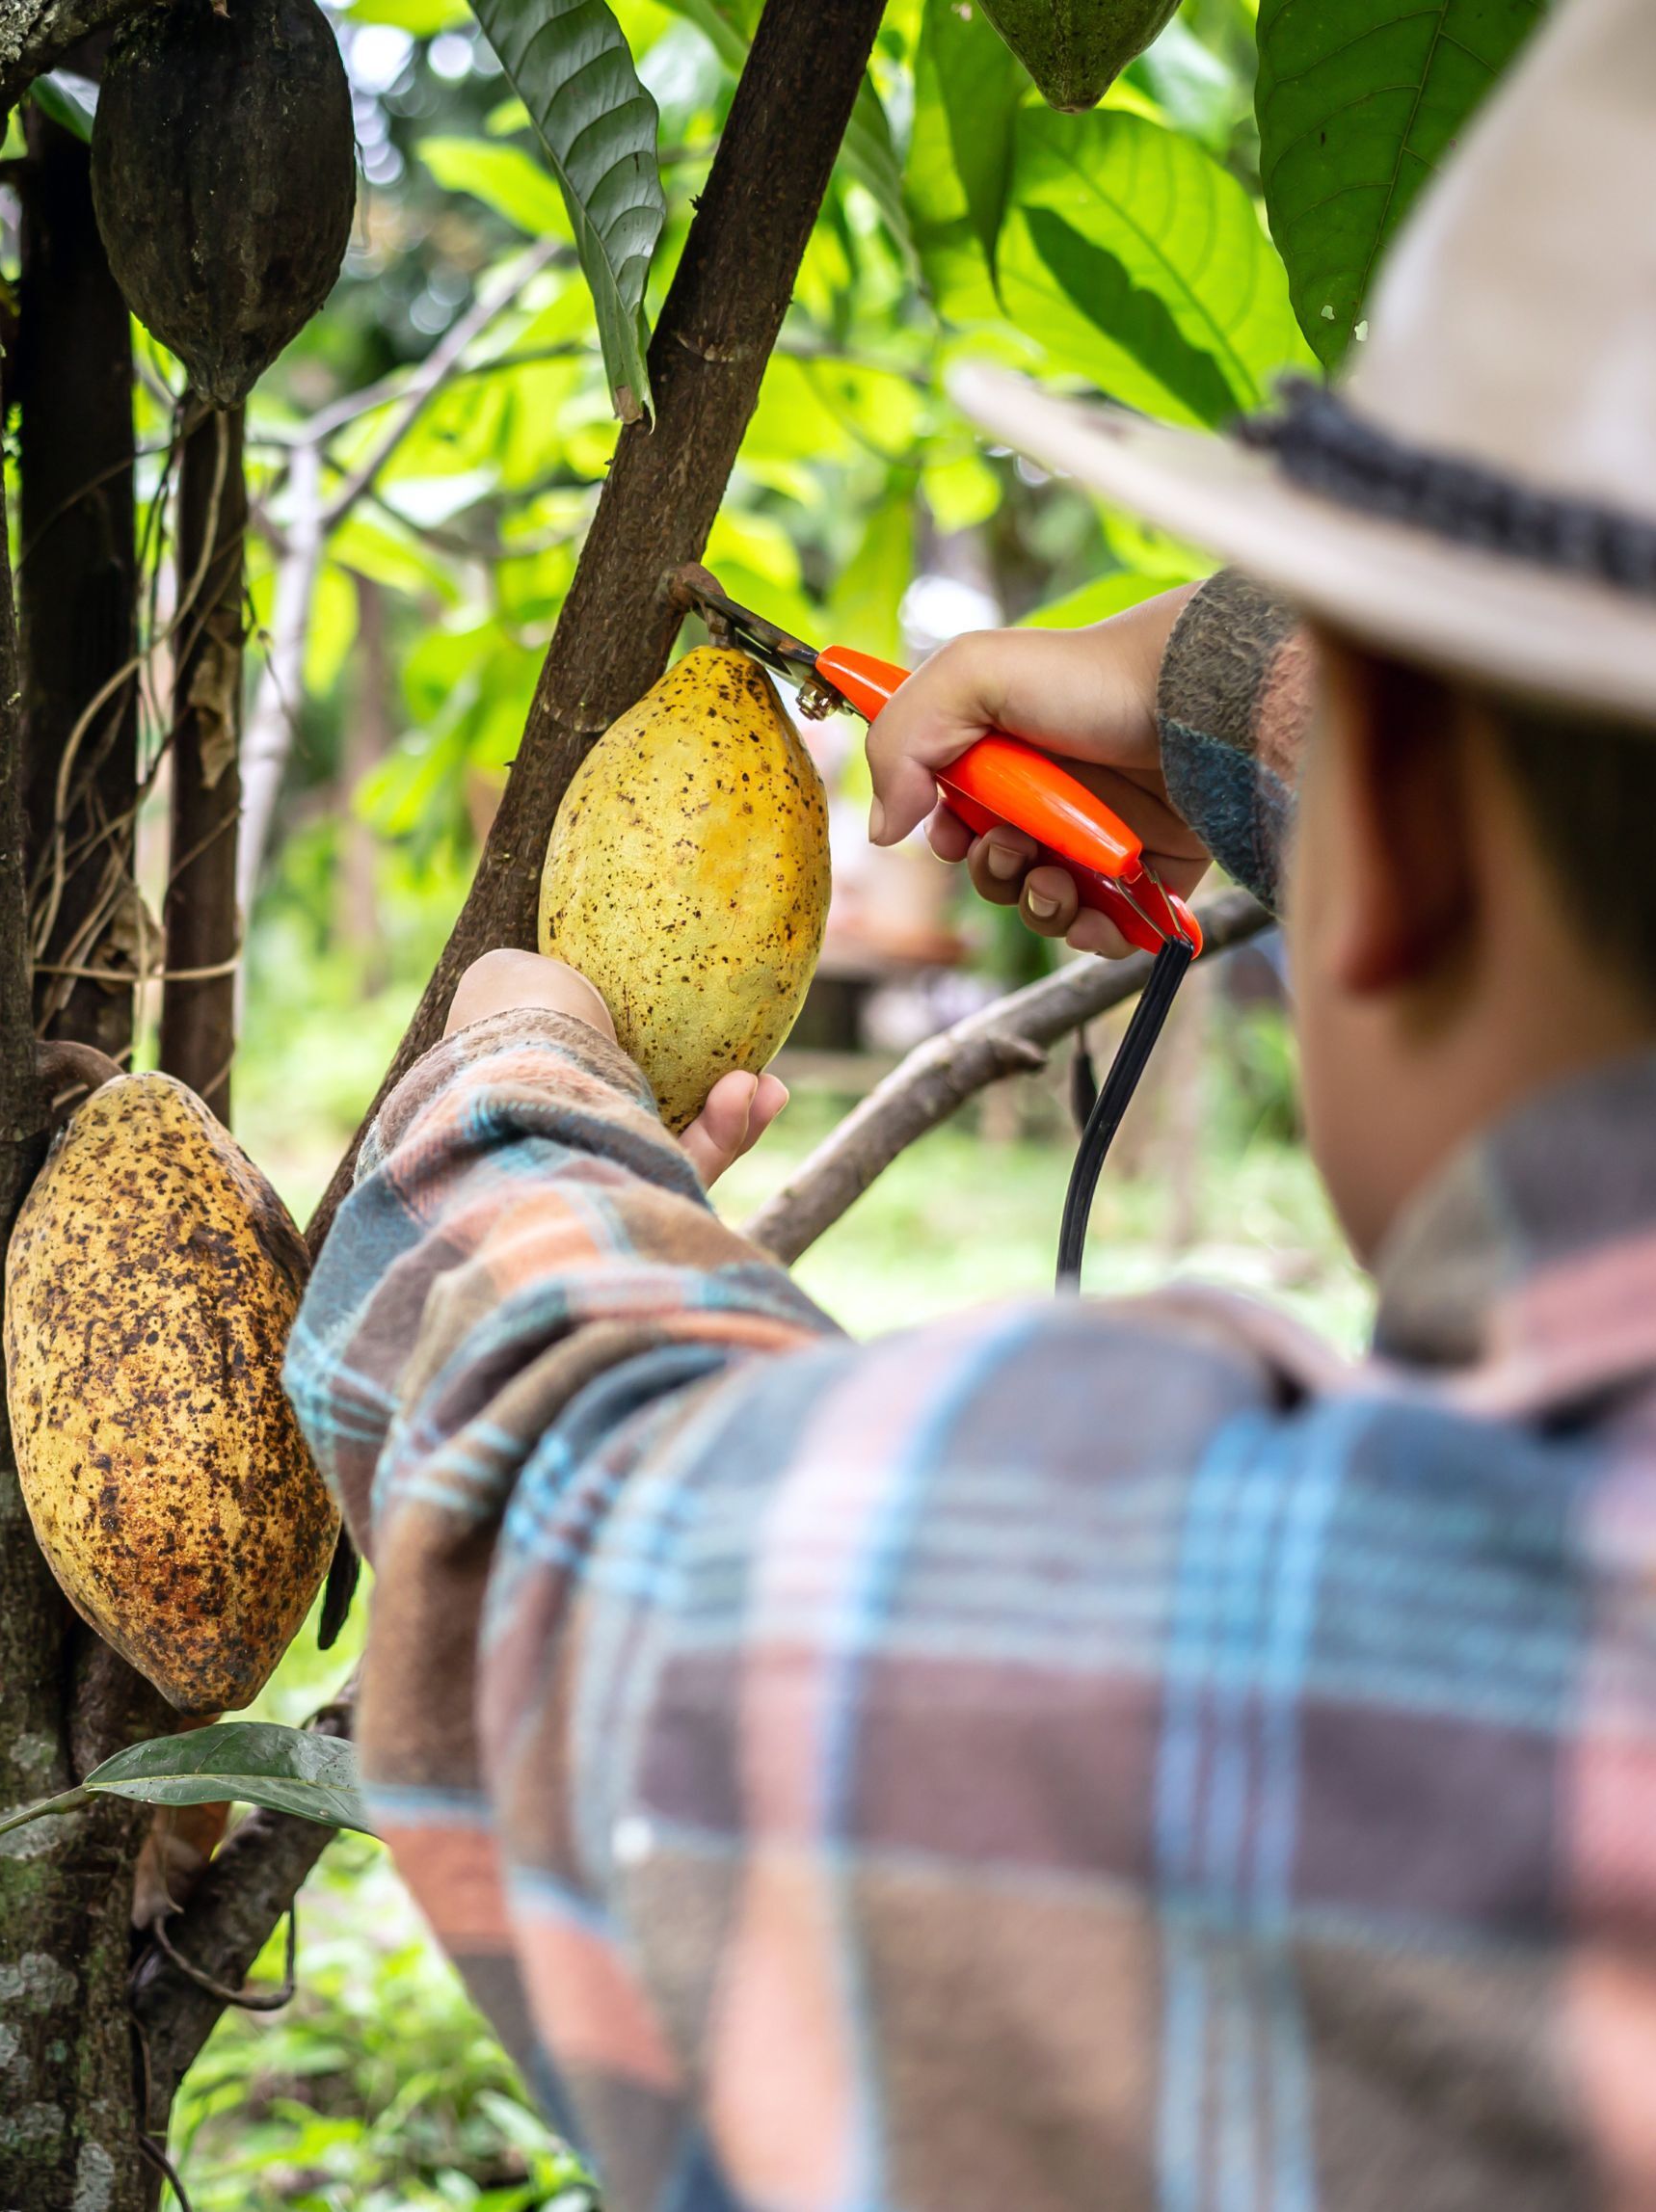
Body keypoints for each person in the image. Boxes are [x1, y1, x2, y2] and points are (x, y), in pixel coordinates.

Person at [283, 1, 1656, 2204]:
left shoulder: (1352, 1664)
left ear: (1388, 868)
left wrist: (509, 1083)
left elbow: (596, 1531)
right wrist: (1253, 691)